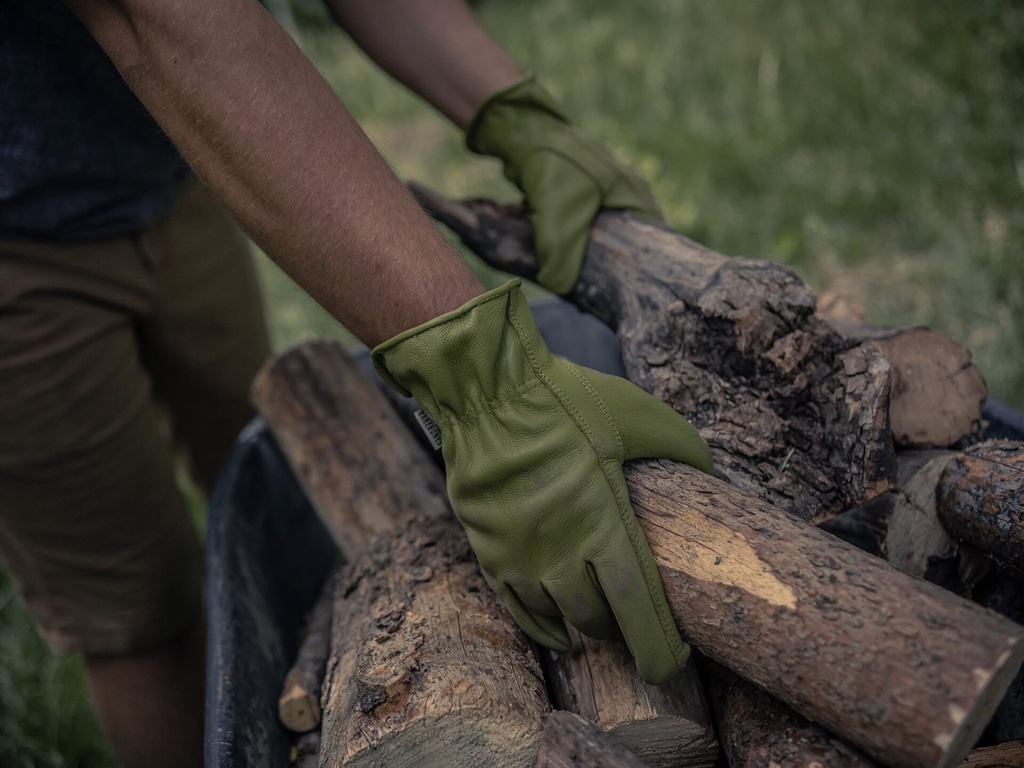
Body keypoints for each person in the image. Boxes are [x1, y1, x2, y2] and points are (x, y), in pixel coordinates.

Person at [0, 1, 713, 765]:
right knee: (138, 611)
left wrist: (524, 118)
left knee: (265, 499)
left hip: (166, 163)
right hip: (16, 246)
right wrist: (485, 384)